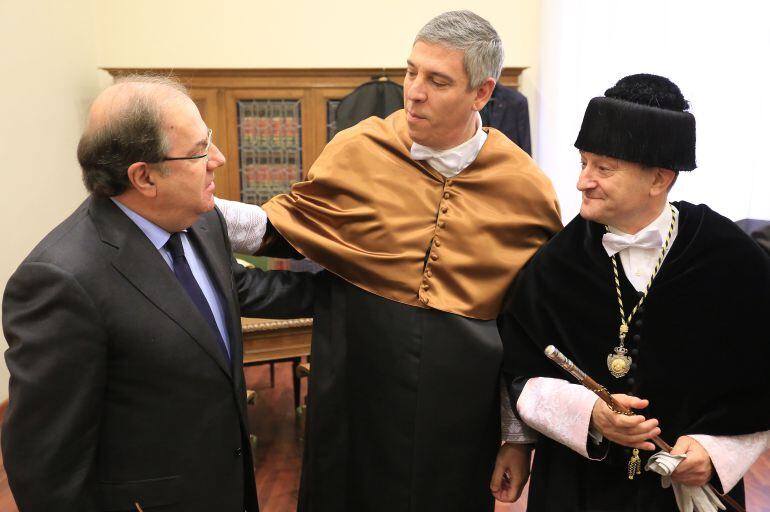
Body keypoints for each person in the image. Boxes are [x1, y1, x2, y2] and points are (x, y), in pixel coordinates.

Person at [215, 10, 562, 511]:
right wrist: (192, 210)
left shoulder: (525, 188)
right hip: (356, 389)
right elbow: (280, 228)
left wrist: (516, 437)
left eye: (438, 80)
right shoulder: (359, 149)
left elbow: (524, 330)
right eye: (411, 71)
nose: (415, 91)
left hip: (461, 411)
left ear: (482, 93)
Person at [1, 76, 315, 512]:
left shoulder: (202, 220)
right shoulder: (60, 281)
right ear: (144, 176)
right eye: (200, 151)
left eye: (211, 141)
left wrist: (348, 292)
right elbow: (46, 465)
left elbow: (236, 287)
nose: (218, 160)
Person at [499, 73, 770, 512]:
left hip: (685, 494)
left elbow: (760, 384)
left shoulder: (733, 260)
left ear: (659, 179)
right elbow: (521, 374)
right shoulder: (554, 264)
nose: (582, 181)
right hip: (576, 490)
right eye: (583, 163)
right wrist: (590, 415)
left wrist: (715, 454)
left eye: (603, 168)